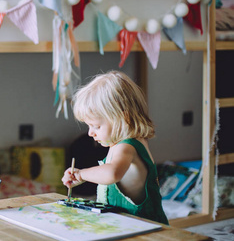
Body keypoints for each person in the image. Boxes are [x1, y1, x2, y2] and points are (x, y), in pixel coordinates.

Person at [62, 71, 168, 225]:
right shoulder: (117, 144)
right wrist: (82, 179)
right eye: (89, 126)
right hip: (122, 224)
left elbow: (112, 173)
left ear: (124, 119)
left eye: (96, 126)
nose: (90, 133)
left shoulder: (127, 147)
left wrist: (81, 174)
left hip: (144, 227)